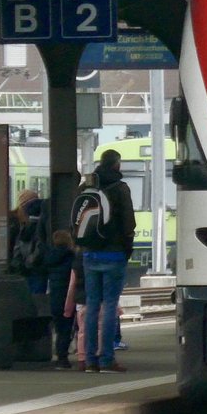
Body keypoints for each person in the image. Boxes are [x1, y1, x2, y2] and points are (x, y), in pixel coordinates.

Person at [81, 150, 136, 374]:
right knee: (110, 306)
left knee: (92, 306)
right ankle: (106, 360)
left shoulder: (87, 186)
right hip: (113, 254)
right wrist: (126, 248)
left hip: (90, 253)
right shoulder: (120, 188)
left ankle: (90, 360)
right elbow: (129, 223)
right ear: (116, 165)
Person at [9, 189, 49, 311]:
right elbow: (41, 244)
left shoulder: (19, 223)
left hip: (25, 267)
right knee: (37, 298)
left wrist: (20, 262)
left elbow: (17, 245)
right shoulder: (44, 216)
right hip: (37, 267)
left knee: (28, 300)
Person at [43, 229, 76, 369]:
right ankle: (63, 358)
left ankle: (60, 356)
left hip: (54, 297)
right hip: (68, 297)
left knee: (58, 327)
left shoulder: (50, 258)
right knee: (67, 328)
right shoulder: (71, 257)